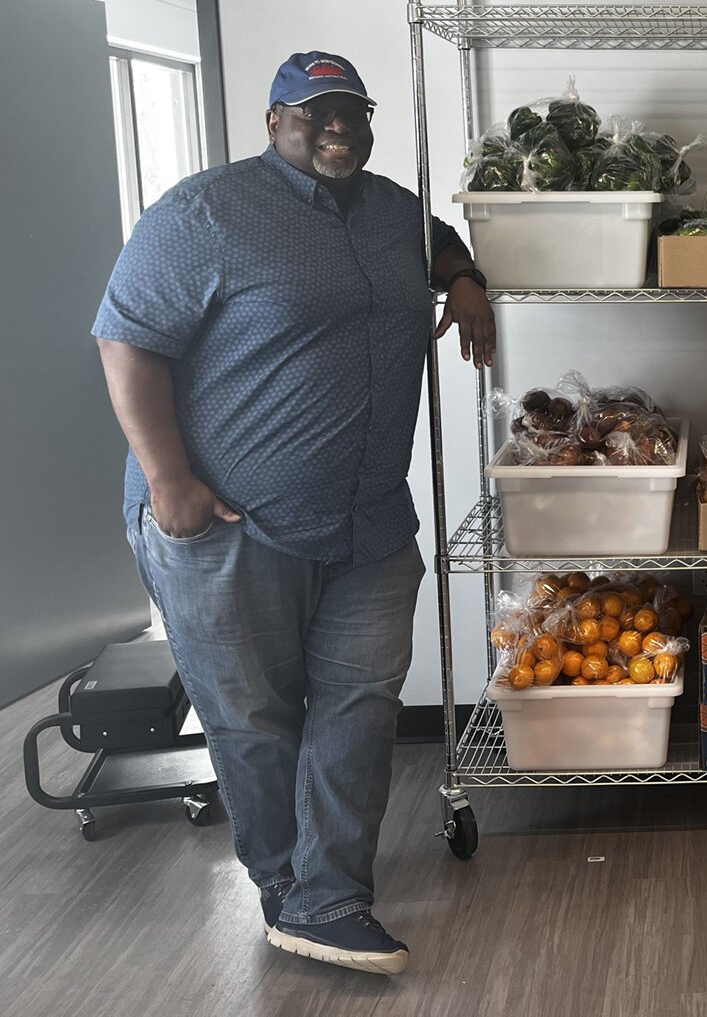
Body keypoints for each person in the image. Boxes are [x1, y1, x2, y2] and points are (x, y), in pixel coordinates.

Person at [92, 51, 496, 975]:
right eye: (314, 113)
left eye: (351, 110)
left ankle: (330, 899)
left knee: (359, 708)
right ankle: (286, 888)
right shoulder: (206, 213)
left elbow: (438, 241)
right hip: (232, 524)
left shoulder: (393, 211)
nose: (336, 127)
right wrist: (169, 481)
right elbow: (125, 340)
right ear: (274, 122)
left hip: (367, 526)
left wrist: (464, 279)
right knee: (254, 718)